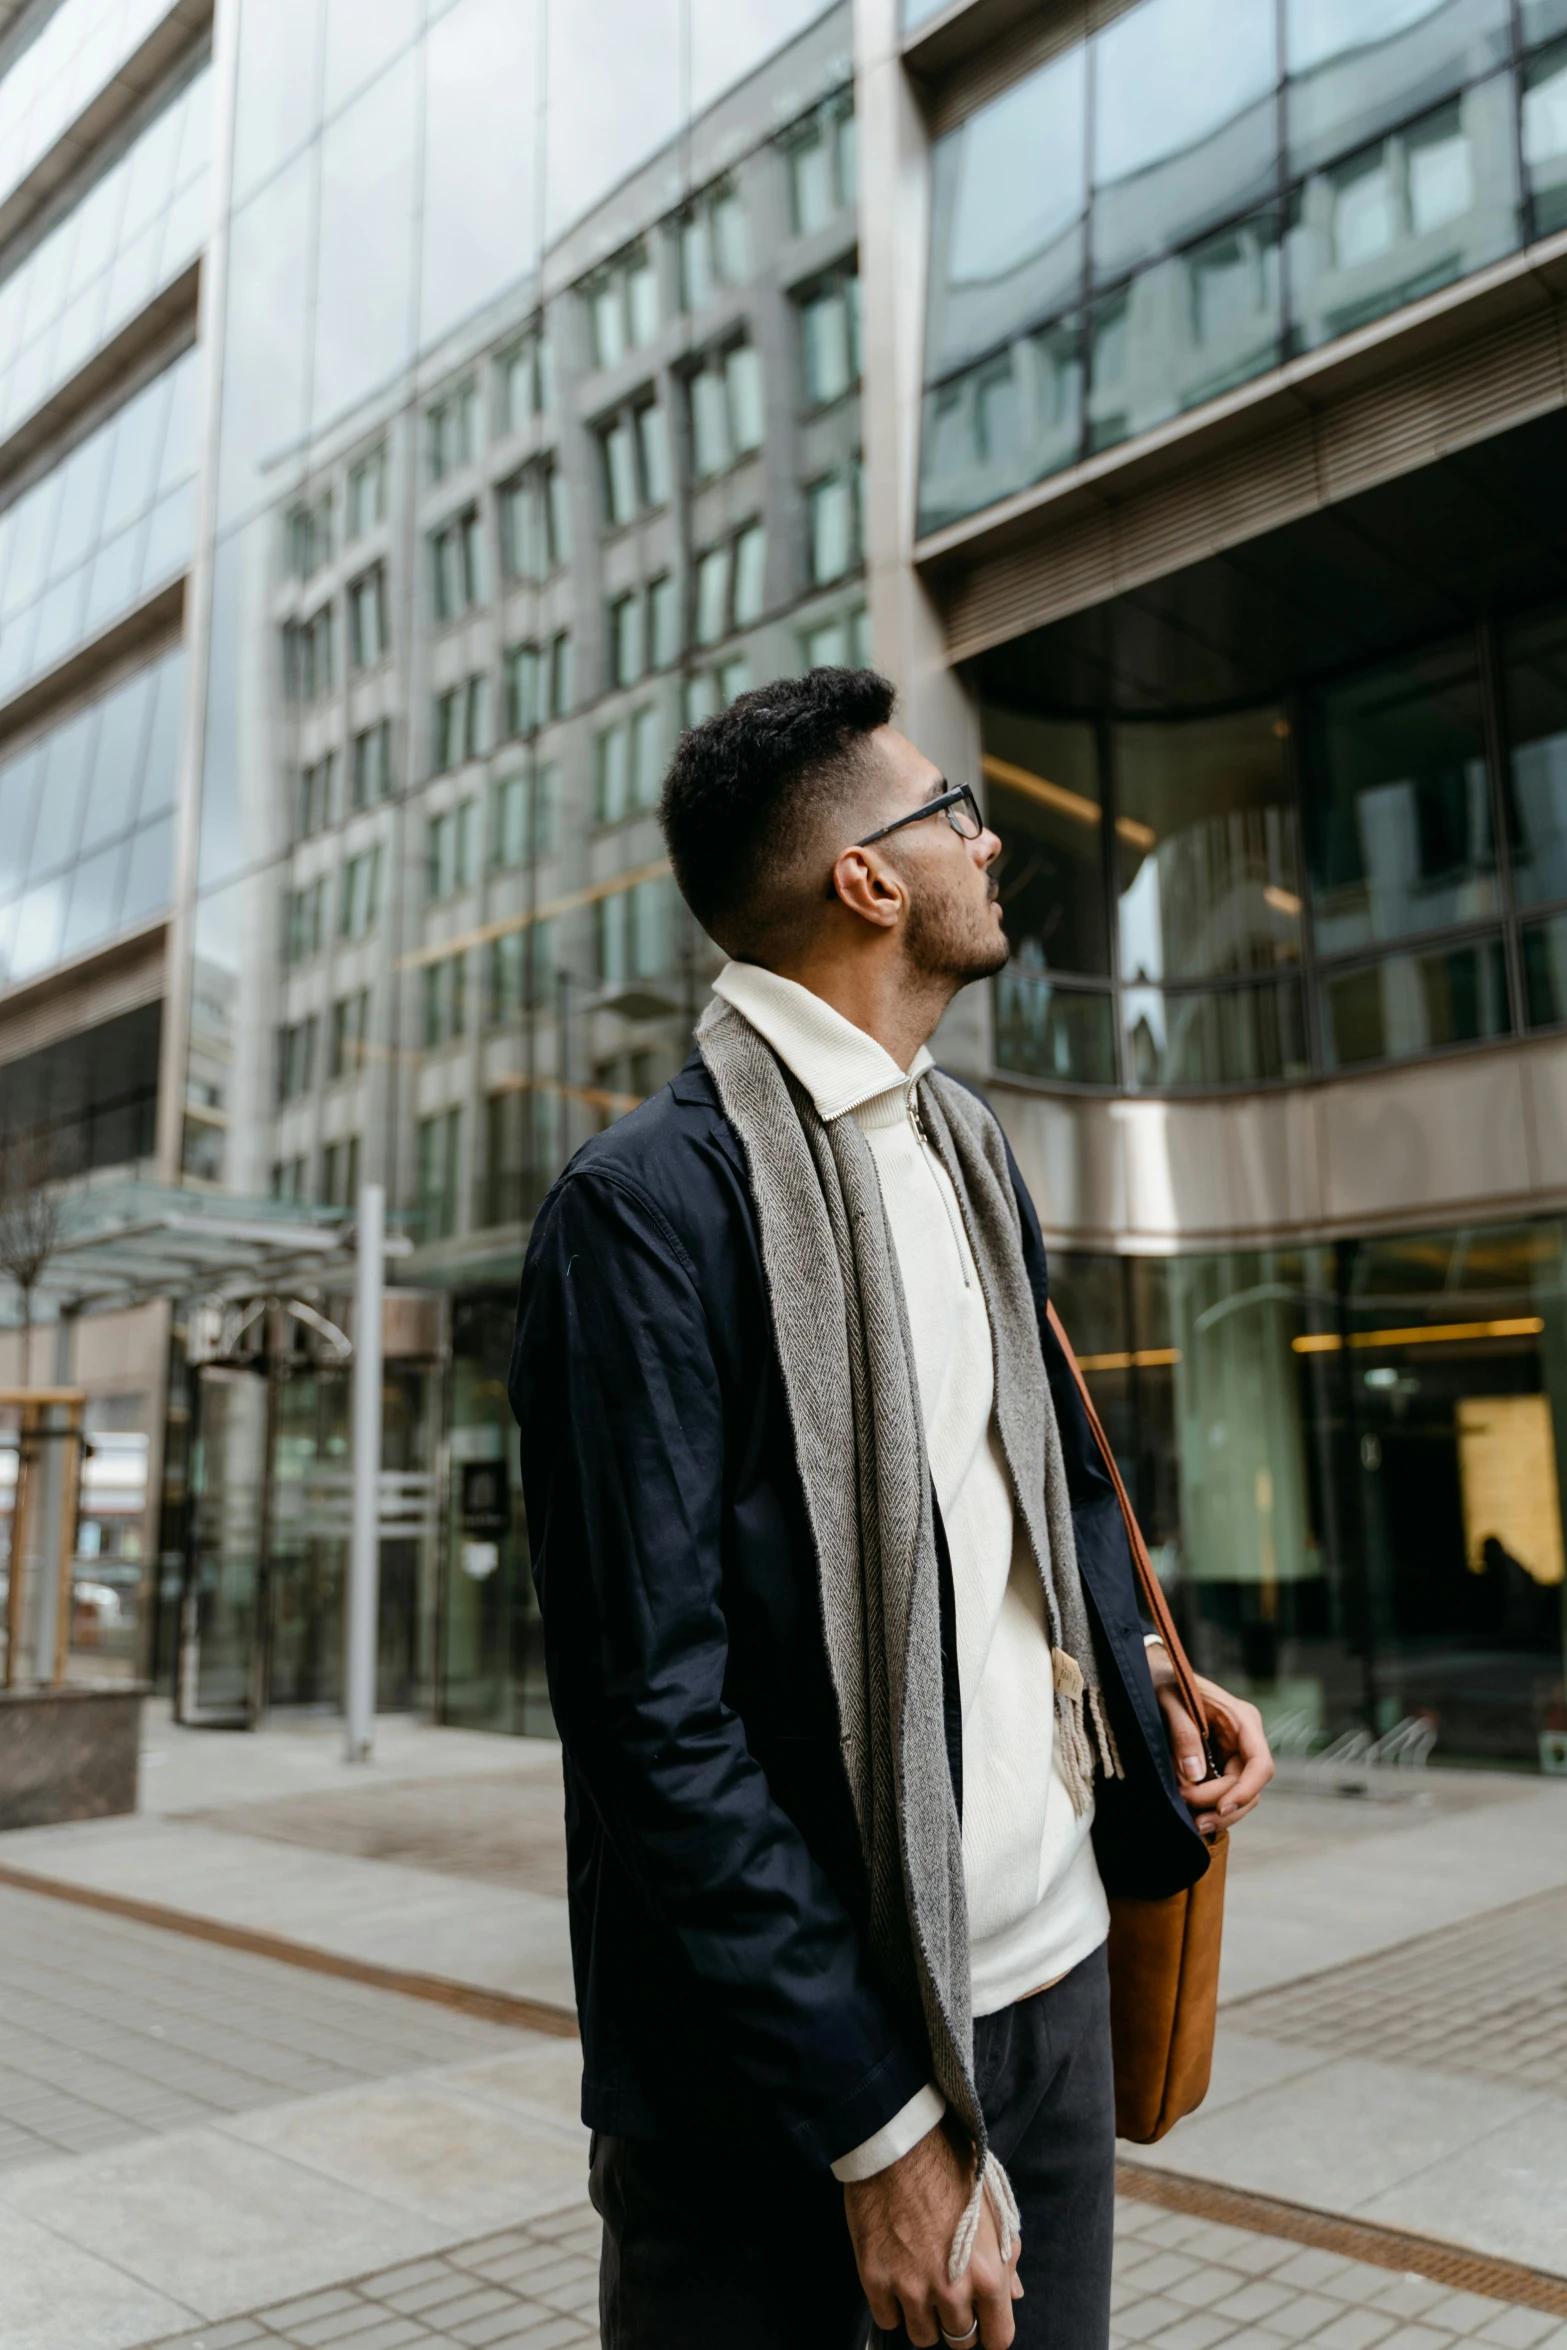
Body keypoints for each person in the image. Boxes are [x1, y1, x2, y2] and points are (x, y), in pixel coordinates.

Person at [509, 668, 1273, 2350]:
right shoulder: (642, 1213)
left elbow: (1038, 1488)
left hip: (1051, 1981)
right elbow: (649, 1718)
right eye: (949, 813)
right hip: (787, 2087)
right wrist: (877, 2127)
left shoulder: (967, 1149)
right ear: (866, 878)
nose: (985, 842)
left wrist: (1135, 1667)